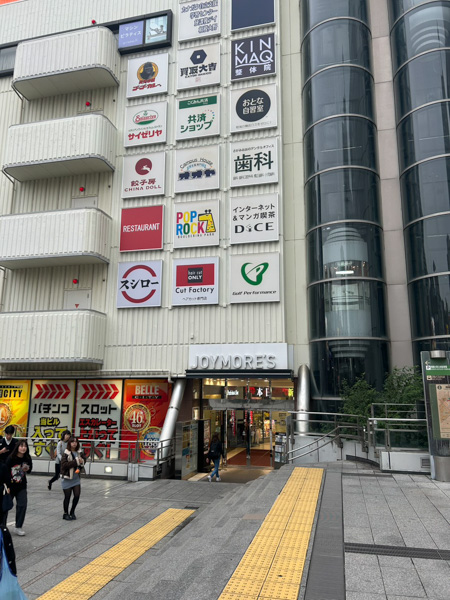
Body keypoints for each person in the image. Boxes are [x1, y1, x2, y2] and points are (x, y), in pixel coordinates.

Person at [5, 439, 32, 536]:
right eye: (21, 446)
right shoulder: (11, 458)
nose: (23, 448)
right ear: (17, 447)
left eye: (25, 446)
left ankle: (18, 527)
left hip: (21, 485)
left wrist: (27, 469)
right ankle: (2, 525)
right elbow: (6, 471)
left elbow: (29, 470)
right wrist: (7, 486)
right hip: (10, 486)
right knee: (5, 506)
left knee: (22, 505)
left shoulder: (27, 458)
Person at [60, 436, 85, 521]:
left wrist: (82, 462)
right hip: (67, 478)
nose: (74, 443)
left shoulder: (79, 452)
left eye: (76, 442)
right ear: (69, 443)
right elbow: (64, 465)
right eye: (72, 442)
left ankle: (72, 511)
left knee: (77, 495)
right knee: (67, 497)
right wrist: (76, 461)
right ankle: (65, 513)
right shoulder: (66, 453)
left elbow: (84, 459)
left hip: (76, 478)